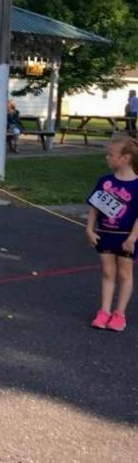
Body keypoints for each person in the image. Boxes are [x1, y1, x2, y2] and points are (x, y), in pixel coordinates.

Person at [86, 137, 138, 332]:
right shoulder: (105, 181)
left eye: (111, 155)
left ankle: (119, 313)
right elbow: (94, 207)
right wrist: (89, 229)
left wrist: (133, 238)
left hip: (126, 238)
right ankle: (104, 311)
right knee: (107, 273)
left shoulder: (137, 185)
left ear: (125, 158)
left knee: (125, 274)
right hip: (105, 234)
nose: (107, 158)